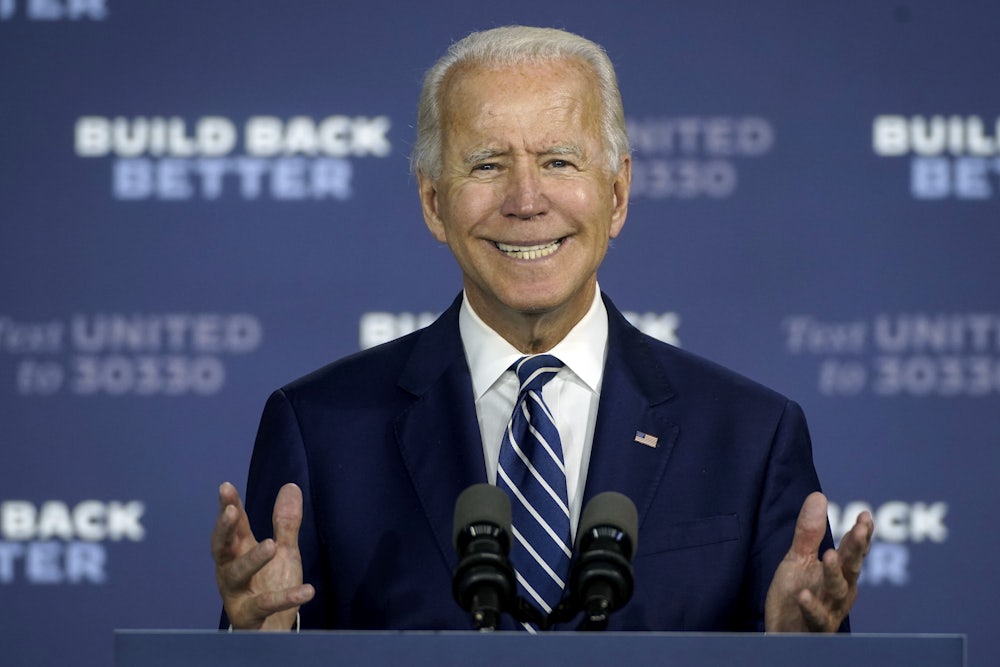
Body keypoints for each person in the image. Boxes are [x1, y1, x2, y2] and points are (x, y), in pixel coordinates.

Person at [211, 25, 873, 633]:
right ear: (433, 202)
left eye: (558, 160)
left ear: (616, 196)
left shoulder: (752, 436)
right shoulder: (320, 429)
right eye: (487, 164)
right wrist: (257, 642)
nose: (526, 201)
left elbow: (804, 634)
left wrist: (798, 651)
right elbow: (266, 633)